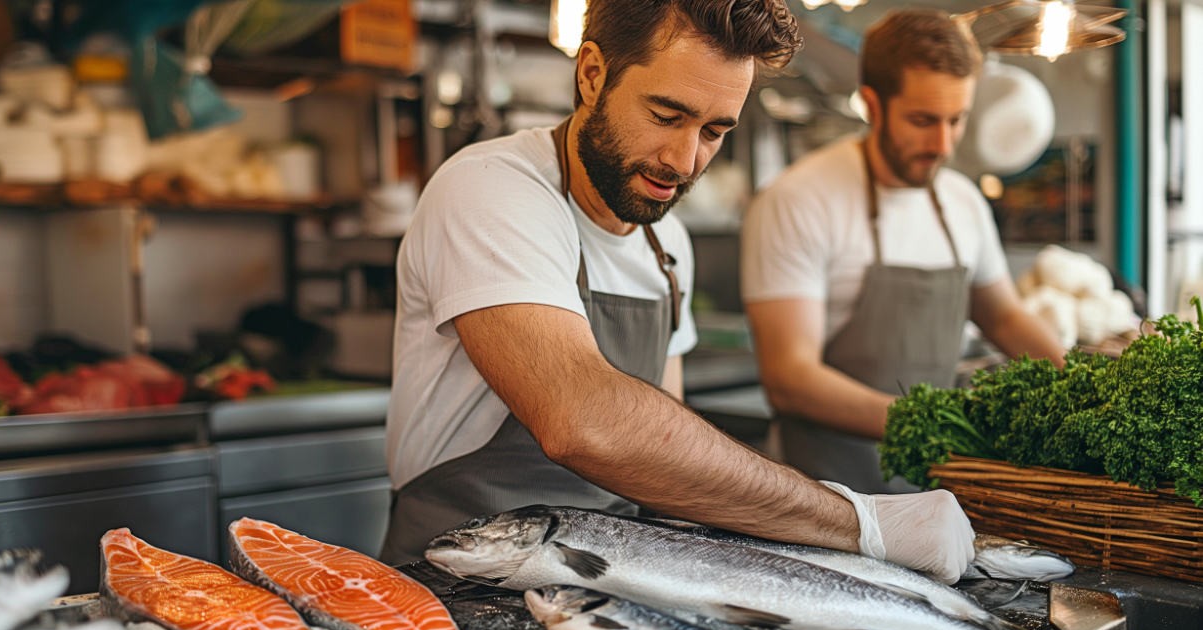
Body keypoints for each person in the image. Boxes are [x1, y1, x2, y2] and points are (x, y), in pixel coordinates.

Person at [380, 0, 978, 585]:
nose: (685, 160)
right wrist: (859, 521)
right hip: (455, 582)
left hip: (605, 581)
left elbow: (663, 465)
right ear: (592, 74)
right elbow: (580, 418)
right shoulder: (492, 188)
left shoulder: (667, 249)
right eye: (666, 116)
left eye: (715, 131)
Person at [741, 8, 1068, 495]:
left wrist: (1080, 384)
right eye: (922, 120)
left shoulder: (962, 202)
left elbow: (1002, 315)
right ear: (873, 104)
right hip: (827, 497)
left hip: (937, 491)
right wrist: (938, 424)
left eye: (956, 120)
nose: (942, 144)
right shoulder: (798, 201)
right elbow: (790, 377)